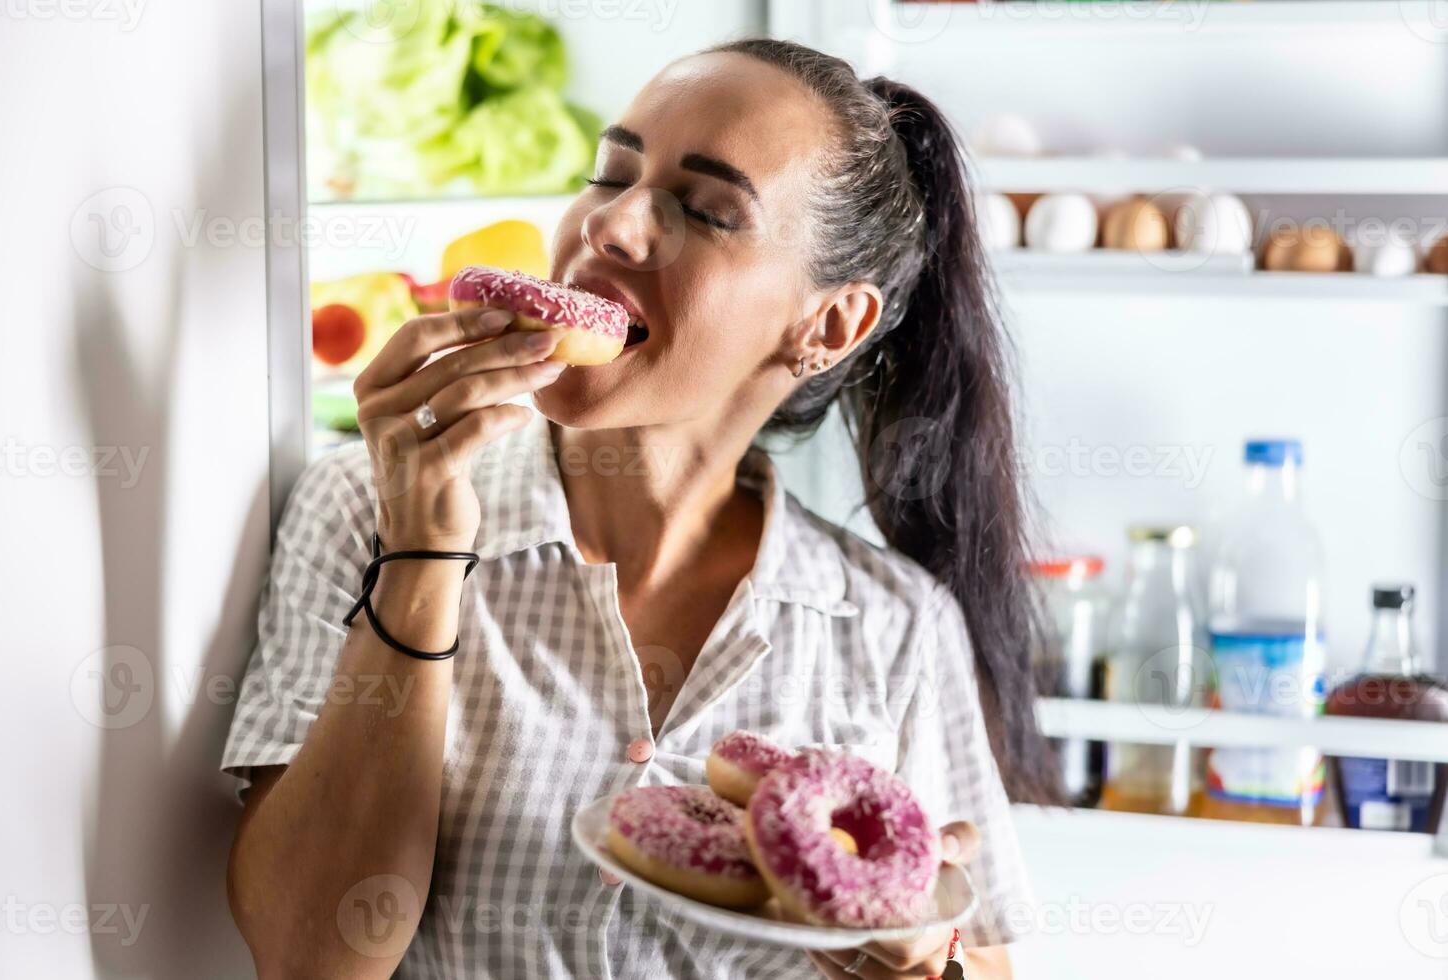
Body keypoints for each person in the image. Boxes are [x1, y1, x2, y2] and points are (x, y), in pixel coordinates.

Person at [222, 37, 1053, 980]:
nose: (611, 229)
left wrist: (916, 960)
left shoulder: (895, 627)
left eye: (704, 210)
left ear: (828, 325)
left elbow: (979, 959)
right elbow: (308, 959)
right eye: (608, 175)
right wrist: (419, 553)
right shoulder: (367, 504)